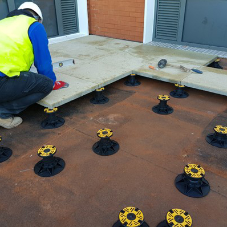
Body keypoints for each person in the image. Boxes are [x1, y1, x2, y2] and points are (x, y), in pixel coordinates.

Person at [0, 2, 66, 129]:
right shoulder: (34, 25)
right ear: (38, 18)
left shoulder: (2, 23)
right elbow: (43, 63)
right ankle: (3, 112)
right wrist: (51, 81)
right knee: (45, 84)